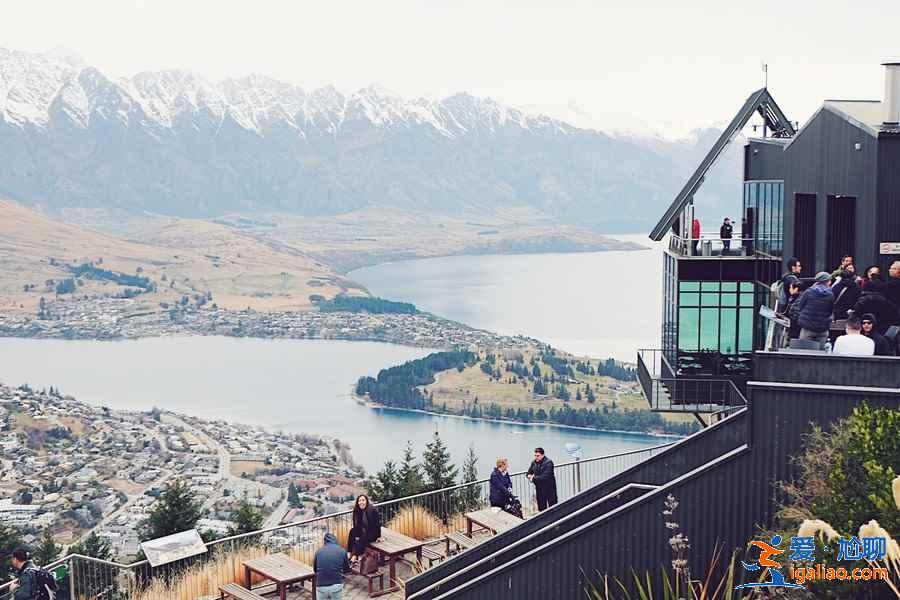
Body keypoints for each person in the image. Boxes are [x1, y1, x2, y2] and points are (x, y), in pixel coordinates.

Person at [795, 272, 834, 350]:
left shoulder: (809, 292)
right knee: (820, 354)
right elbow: (830, 310)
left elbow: (800, 306)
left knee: (803, 352)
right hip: (822, 328)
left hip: (808, 327)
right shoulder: (830, 295)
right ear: (828, 281)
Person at [346, 494, 381, 565]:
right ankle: (349, 553)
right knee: (352, 531)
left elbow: (377, 524)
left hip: (372, 532)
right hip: (363, 530)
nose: (361, 502)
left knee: (362, 539)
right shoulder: (357, 510)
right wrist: (356, 533)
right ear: (357, 502)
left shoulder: (372, 510)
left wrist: (379, 536)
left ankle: (355, 556)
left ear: (366, 501)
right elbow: (356, 525)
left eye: (363, 500)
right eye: (359, 501)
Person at [315, 532, 351, 600]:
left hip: (321, 586)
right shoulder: (342, 551)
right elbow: (347, 570)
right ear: (335, 540)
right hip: (336, 586)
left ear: (324, 542)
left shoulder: (318, 552)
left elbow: (315, 569)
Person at [527, 447, 557, 512]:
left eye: (538, 456)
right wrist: (529, 476)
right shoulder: (533, 462)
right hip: (539, 489)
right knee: (541, 507)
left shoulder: (549, 462)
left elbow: (545, 476)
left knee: (553, 507)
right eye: (535, 455)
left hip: (550, 489)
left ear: (543, 455)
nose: (536, 457)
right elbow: (528, 473)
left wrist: (533, 478)